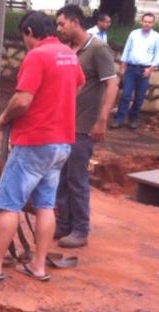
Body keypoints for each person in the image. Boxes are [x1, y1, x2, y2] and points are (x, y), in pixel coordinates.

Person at [0, 11, 84, 282]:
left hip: (35, 141)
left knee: (8, 203)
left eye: (23, 37)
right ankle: (38, 265)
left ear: (29, 31)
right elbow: (77, 85)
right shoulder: (69, 54)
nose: (24, 42)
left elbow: (22, 101)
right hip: (61, 143)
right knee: (45, 205)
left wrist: (4, 117)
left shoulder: (37, 56)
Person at [54, 5, 118, 248]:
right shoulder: (68, 50)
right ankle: (63, 224)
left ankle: (80, 229)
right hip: (63, 123)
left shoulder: (98, 49)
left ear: (75, 22)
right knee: (60, 176)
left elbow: (112, 85)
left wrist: (101, 120)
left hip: (83, 125)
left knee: (76, 178)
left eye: (62, 24)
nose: (59, 29)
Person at [110, 13, 159, 129]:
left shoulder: (156, 37)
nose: (147, 24)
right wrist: (123, 65)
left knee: (139, 97)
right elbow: (127, 49)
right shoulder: (134, 34)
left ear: (153, 23)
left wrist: (150, 68)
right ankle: (119, 119)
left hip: (145, 70)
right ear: (141, 22)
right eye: (145, 21)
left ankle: (133, 119)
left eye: (150, 22)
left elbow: (157, 55)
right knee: (125, 95)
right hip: (131, 69)